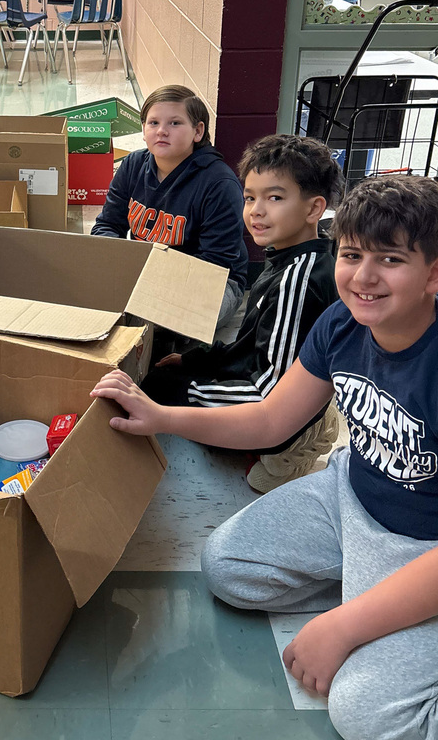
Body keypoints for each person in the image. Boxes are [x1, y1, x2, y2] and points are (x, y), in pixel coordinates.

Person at [92, 175, 438, 740]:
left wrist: (346, 626)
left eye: (391, 259)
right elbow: (272, 419)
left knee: (365, 715)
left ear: (434, 273)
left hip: (423, 545)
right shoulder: (344, 323)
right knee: (229, 568)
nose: (365, 277)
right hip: (350, 496)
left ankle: (381, 601)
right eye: (352, 255)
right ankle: (372, 589)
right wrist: (159, 416)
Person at [144, 134, 344, 492]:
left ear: (314, 209)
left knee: (162, 398)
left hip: (280, 410)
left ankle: (300, 442)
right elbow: (251, 347)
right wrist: (194, 361)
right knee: (168, 375)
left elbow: (269, 394)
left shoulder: (298, 281)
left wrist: (182, 399)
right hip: (275, 384)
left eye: (275, 198)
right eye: (250, 197)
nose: (256, 211)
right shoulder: (287, 254)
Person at [91, 84, 248, 329]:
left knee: (156, 320)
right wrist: (119, 264)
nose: (162, 131)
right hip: (144, 272)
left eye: (175, 123)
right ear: (143, 129)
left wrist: (151, 287)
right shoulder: (133, 164)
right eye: (153, 123)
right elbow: (107, 225)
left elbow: (214, 265)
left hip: (212, 284)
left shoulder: (219, 184)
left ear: (197, 131)